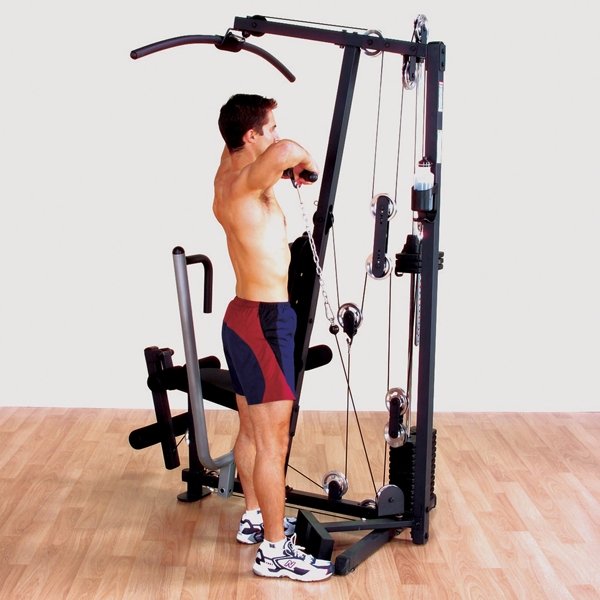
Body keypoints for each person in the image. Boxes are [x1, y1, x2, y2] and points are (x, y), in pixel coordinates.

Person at [212, 94, 333, 582]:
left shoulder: (228, 171)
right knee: (272, 440)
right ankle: (275, 550)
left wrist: (282, 166)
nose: (277, 134)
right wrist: (303, 163)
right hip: (265, 321)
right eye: (270, 126)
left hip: (241, 315)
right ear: (252, 136)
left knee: (250, 430)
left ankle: (254, 516)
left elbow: (263, 151)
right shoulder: (246, 181)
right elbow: (286, 152)